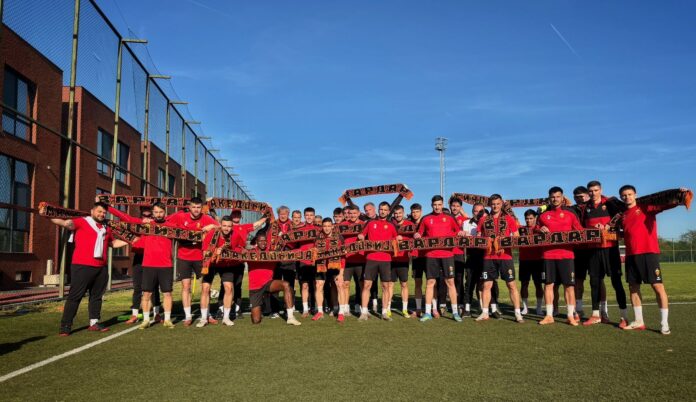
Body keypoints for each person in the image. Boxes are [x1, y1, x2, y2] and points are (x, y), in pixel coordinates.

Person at [50, 202, 129, 335]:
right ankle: (66, 326)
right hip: (82, 266)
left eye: (104, 213)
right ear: (92, 211)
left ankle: (94, 323)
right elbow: (65, 223)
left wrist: (131, 240)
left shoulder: (106, 228)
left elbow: (113, 243)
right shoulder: (82, 221)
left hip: (101, 267)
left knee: (97, 296)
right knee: (75, 296)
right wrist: (49, 215)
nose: (102, 214)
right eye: (99, 211)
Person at [619, 185, 689, 334]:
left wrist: (679, 197)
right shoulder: (622, 215)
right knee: (633, 288)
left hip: (648, 253)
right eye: (624, 195)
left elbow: (665, 204)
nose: (627, 197)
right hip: (631, 255)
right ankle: (639, 321)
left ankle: (664, 323)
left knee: (657, 287)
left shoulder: (646, 207)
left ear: (635, 195)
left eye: (629, 194)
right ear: (621, 197)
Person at [105, 203, 161, 324]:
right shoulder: (136, 224)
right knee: (137, 287)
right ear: (140, 215)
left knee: (154, 286)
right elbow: (123, 216)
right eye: (144, 215)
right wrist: (106, 207)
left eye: (149, 215)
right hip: (139, 258)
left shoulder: (158, 224)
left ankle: (157, 314)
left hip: (153, 258)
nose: (146, 218)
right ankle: (135, 314)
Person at [166, 197, 219, 326]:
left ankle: (206, 315)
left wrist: (212, 226)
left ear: (202, 208)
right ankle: (188, 316)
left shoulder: (206, 218)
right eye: (193, 207)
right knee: (186, 286)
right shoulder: (181, 216)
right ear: (189, 207)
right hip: (184, 256)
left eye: (198, 207)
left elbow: (220, 227)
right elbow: (165, 221)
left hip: (201, 257)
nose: (196, 210)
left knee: (206, 287)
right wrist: (178, 215)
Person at [538, 187, 584, 326]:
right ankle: (549, 315)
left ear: (562, 198)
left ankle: (570, 315)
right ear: (549, 198)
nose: (555, 199)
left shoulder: (570, 214)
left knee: (569, 286)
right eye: (552, 197)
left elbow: (580, 232)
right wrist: (539, 229)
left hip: (566, 255)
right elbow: (535, 230)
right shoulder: (543, 216)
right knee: (548, 285)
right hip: (548, 255)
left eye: (558, 196)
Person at [413, 195, 465, 322]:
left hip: (447, 255)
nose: (437, 207)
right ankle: (427, 312)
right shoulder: (426, 218)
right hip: (431, 255)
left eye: (439, 204)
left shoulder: (450, 218)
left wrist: (460, 232)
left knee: (450, 282)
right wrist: (417, 234)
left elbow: (458, 231)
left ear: (442, 205)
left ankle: (455, 312)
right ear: (431, 205)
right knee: (430, 283)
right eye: (435, 205)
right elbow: (419, 233)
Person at [475, 194, 523, 323]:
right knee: (487, 285)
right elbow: (478, 238)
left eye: (497, 204)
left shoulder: (508, 218)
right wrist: (486, 240)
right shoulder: (483, 220)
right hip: (488, 256)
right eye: (493, 204)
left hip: (505, 256)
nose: (495, 206)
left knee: (511, 284)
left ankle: (518, 313)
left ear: (501, 204)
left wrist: (505, 241)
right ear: (489, 205)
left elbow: (517, 236)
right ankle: (485, 313)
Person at [129, 203, 176, 329]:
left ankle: (167, 319)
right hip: (149, 265)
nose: (158, 214)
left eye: (161, 212)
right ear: (152, 213)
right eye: (156, 212)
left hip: (166, 265)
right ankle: (146, 320)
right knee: (146, 294)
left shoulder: (171, 226)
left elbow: (188, 231)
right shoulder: (146, 226)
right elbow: (128, 222)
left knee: (167, 293)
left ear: (165, 212)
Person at [215, 209, 268, 321]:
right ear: (231, 215)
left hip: (239, 261)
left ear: (241, 216)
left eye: (238, 214)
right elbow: (216, 220)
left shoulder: (243, 227)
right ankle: (221, 309)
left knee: (237, 285)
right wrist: (211, 210)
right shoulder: (225, 226)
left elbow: (257, 224)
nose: (236, 215)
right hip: (225, 262)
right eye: (234, 213)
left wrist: (266, 215)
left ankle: (237, 308)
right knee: (225, 286)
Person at [357, 202, 400, 321]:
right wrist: (361, 236)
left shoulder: (391, 225)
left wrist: (398, 238)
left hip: (386, 259)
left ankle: (384, 312)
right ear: (378, 210)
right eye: (381, 209)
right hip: (371, 258)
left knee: (385, 286)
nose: (383, 211)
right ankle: (364, 312)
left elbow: (396, 238)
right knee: (367, 285)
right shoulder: (370, 223)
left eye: (385, 210)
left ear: (388, 211)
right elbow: (362, 234)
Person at [246, 233, 301, 325]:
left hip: (268, 283)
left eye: (264, 241)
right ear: (256, 242)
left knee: (286, 284)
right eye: (260, 241)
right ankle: (259, 306)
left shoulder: (272, 253)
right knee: (256, 320)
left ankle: (290, 317)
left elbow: (293, 253)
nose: (263, 243)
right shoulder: (251, 253)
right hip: (255, 288)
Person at [314, 218, 346, 322]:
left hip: (335, 265)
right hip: (321, 266)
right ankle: (320, 312)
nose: (327, 228)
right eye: (324, 226)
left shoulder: (339, 237)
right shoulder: (317, 238)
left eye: (328, 226)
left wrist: (341, 272)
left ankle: (341, 312)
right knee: (318, 286)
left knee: (339, 286)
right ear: (322, 227)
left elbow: (343, 256)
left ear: (332, 226)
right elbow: (315, 253)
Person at [339, 204, 366, 316]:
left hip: (361, 259)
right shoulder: (343, 225)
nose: (353, 215)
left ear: (359, 213)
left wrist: (364, 238)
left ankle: (360, 306)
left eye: (355, 213)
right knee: (345, 284)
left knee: (361, 285)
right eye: (350, 213)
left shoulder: (364, 225)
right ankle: (346, 307)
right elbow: (338, 241)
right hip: (347, 260)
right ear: (347, 214)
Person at [518, 209, 544, 316]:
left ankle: (539, 308)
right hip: (524, 260)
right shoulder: (521, 229)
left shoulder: (540, 229)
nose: (528, 220)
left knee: (538, 284)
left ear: (535, 218)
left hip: (538, 260)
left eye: (531, 218)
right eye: (527, 218)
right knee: (524, 284)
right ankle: (525, 308)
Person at [390, 205, 414, 317]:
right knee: (390, 284)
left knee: (404, 284)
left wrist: (403, 239)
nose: (398, 215)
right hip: (391, 259)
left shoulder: (410, 225)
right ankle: (387, 308)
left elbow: (414, 239)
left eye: (400, 213)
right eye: (396, 213)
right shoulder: (390, 224)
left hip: (403, 259)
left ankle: (404, 309)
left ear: (403, 213)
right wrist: (394, 239)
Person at [449, 196, 469, 317]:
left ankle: (460, 304)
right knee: (447, 279)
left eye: (457, 206)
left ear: (461, 208)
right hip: (447, 253)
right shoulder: (446, 217)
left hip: (459, 253)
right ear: (450, 206)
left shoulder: (465, 220)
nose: (455, 208)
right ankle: (444, 304)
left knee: (459, 279)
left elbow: (472, 228)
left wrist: (466, 233)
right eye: (453, 206)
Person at [408, 203, 427, 317]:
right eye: (413, 212)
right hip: (416, 257)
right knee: (418, 283)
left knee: (431, 283)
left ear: (421, 212)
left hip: (428, 257)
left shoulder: (426, 222)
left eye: (417, 211)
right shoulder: (409, 225)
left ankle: (433, 308)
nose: (415, 214)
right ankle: (419, 308)